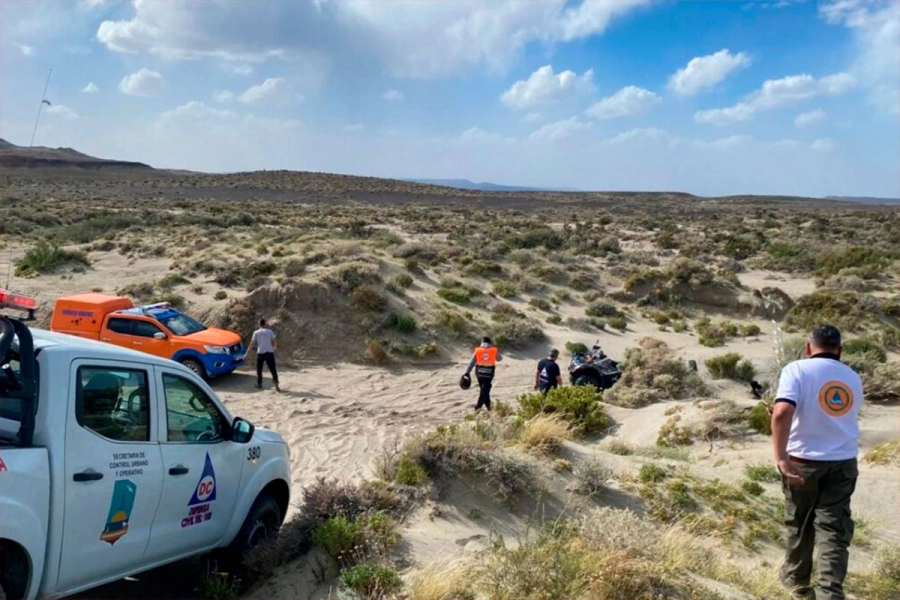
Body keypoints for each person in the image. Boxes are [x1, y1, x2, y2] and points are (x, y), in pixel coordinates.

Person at [770, 324, 863, 600]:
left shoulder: (796, 369)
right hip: (843, 462)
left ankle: (797, 584)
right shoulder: (852, 377)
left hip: (803, 461)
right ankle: (830, 592)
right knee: (834, 530)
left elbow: (781, 412)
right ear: (840, 350)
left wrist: (780, 456)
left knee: (800, 523)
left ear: (808, 347)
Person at [464, 336, 501, 412]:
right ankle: (478, 406)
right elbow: (499, 359)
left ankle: (489, 407)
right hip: (489, 373)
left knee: (484, 389)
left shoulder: (478, 350)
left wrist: (467, 372)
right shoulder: (493, 350)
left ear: (482, 342)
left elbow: (471, 362)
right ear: (490, 343)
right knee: (485, 390)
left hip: (479, 373)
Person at [248, 318, 280, 392]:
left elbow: (252, 342)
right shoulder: (269, 331)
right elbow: (274, 340)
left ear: (259, 324)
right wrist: (275, 347)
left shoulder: (256, 332)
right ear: (265, 324)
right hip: (269, 352)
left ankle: (259, 384)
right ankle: (276, 384)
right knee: (273, 369)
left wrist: (249, 350)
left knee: (259, 370)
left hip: (260, 352)